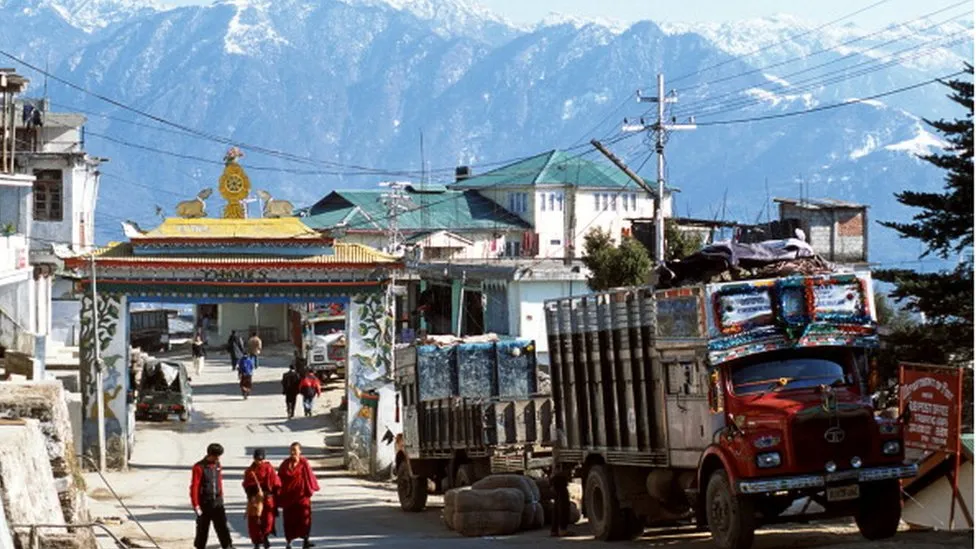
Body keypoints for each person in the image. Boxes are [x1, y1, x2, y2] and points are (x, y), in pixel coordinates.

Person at [190, 443, 233, 549]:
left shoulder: (218, 465)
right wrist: (196, 505)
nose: (218, 458)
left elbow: (219, 481)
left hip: (217, 502)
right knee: (202, 530)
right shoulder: (199, 467)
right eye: (217, 456)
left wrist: (221, 496)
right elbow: (194, 487)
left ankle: (228, 546)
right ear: (210, 454)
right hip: (205, 503)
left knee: (223, 528)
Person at [277, 442, 320, 548]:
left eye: (295, 450)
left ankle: (305, 540)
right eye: (291, 450)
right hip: (289, 497)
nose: (293, 453)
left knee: (304, 519)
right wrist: (278, 493)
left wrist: (310, 490)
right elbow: (279, 479)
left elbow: (309, 477)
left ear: (300, 451)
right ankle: (289, 542)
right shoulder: (285, 464)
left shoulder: (303, 463)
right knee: (289, 520)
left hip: (302, 497)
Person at [243, 448, 281, 549]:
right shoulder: (249, 471)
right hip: (254, 499)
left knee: (268, 521)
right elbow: (246, 484)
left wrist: (274, 495)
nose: (259, 461)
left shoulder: (269, 468)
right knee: (254, 522)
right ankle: (256, 542)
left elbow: (276, 483)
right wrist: (252, 496)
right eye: (257, 459)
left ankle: (265, 536)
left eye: (261, 459)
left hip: (267, 499)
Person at [549, 469, 571, 537]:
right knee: (563, 503)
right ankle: (562, 529)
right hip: (560, 474)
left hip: (556, 474)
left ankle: (554, 530)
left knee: (557, 503)